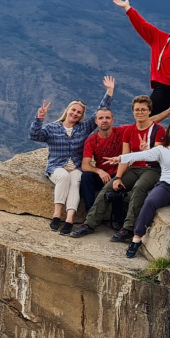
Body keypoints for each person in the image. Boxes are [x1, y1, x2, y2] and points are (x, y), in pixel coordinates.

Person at [71, 93, 170, 239]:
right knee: (109, 187)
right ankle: (89, 224)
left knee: (139, 187)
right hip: (134, 168)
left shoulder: (158, 130)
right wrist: (117, 177)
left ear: (149, 111)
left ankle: (128, 228)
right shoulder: (129, 131)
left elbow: (158, 156)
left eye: (143, 109)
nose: (140, 112)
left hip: (153, 169)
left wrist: (146, 152)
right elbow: (125, 157)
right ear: (133, 111)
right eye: (137, 110)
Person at [29, 76, 115, 232]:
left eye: (79, 112)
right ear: (67, 110)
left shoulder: (83, 129)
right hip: (57, 167)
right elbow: (34, 136)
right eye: (73, 110)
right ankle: (56, 216)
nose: (75, 113)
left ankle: (69, 219)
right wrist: (39, 117)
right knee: (64, 176)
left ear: (81, 116)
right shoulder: (52, 128)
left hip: (76, 166)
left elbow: (99, 113)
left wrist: (109, 91)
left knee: (76, 180)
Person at [116, 117, 170, 258]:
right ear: (169, 130)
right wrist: (120, 158)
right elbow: (142, 155)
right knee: (150, 201)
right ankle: (136, 239)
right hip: (165, 186)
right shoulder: (161, 149)